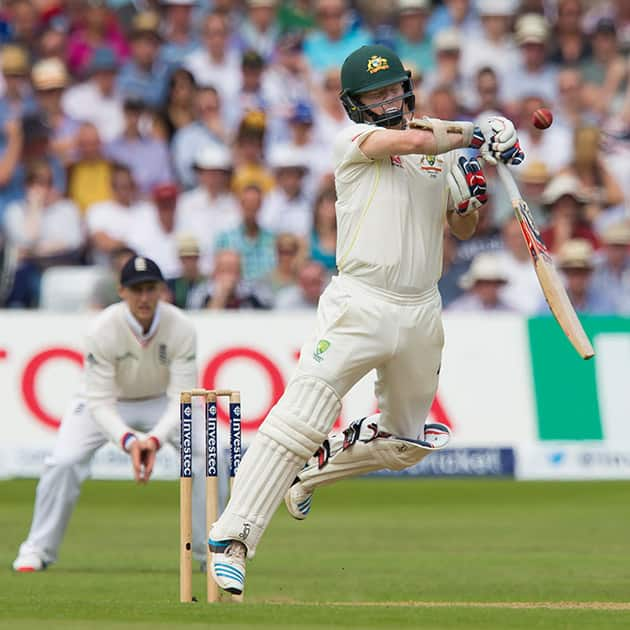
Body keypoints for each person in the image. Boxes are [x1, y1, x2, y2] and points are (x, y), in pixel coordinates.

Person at [207, 44, 524, 594]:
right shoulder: (353, 141)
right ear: (356, 105)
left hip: (422, 308)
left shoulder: (440, 149)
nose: (389, 101)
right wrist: (481, 130)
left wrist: (471, 201)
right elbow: (411, 140)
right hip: (360, 302)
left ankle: (312, 472)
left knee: (407, 443)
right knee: (299, 416)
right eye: (375, 94)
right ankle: (233, 538)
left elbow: (464, 228)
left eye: (394, 89)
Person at [12, 256, 200, 572]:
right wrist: (130, 441)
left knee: (212, 455)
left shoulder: (181, 327)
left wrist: (152, 439)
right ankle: (37, 549)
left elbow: (182, 399)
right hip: (106, 403)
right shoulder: (101, 329)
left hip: (162, 403)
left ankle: (212, 552)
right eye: (136, 290)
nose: (143, 298)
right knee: (64, 461)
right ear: (121, 291)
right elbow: (98, 402)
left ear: (161, 290)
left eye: (150, 289)